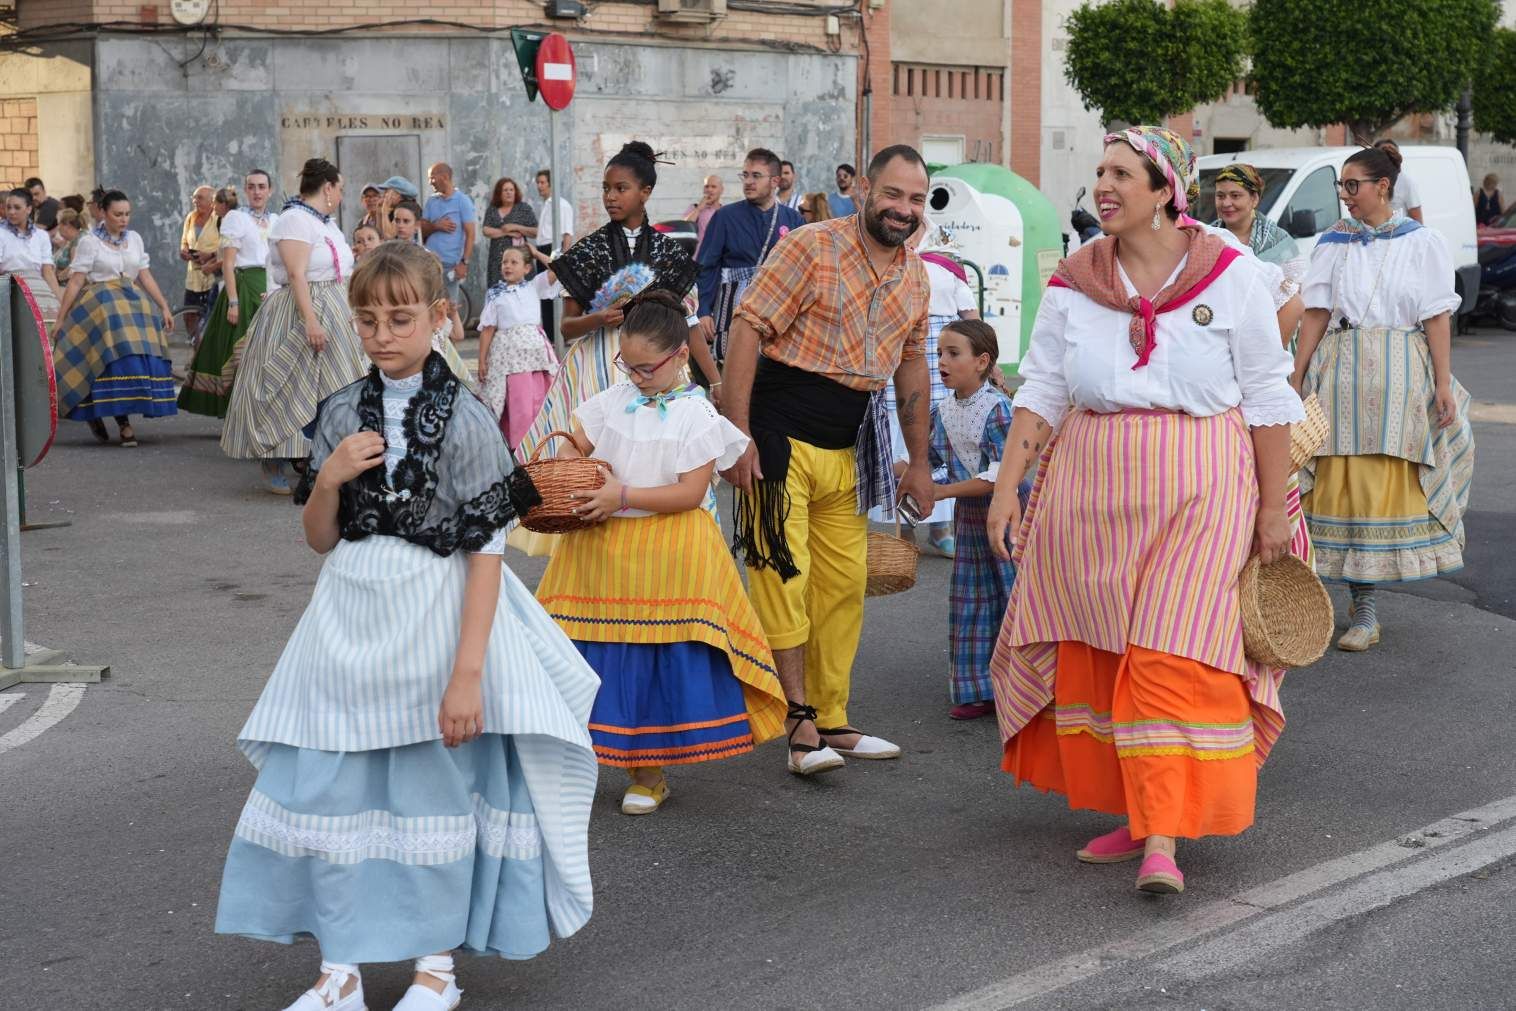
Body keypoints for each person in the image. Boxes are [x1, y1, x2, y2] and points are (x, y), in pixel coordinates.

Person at [215, 240, 598, 1011]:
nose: (383, 332)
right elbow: (321, 537)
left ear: (440, 317)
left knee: (433, 792)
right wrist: (327, 477)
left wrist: (468, 672)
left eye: (401, 316)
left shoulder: (465, 417)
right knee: (328, 789)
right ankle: (340, 971)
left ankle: (435, 968)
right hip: (346, 614)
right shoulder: (337, 411)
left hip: (431, 609)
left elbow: (486, 547)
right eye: (369, 317)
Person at [983, 126, 1303, 895]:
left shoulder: (1230, 277)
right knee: (1107, 653)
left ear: (1166, 191)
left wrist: (1271, 508)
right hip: (1093, 490)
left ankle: (1163, 836)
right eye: (1099, 171)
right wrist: (1005, 487)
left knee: (1172, 651)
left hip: (1204, 487)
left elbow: (1265, 397)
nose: (1104, 185)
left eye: (1122, 172)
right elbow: (1044, 390)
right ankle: (1140, 807)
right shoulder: (1074, 280)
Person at [720, 144, 937, 776]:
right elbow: (747, 327)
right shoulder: (811, 244)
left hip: (847, 444)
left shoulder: (916, 276)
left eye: (916, 200)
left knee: (842, 585)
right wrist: (737, 435)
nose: (903, 209)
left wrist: (918, 462)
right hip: (777, 431)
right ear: (865, 189)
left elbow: (913, 365)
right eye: (893, 194)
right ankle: (798, 722)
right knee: (781, 577)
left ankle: (834, 718)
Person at [534, 290, 787, 815]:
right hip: (601, 544)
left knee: (649, 661)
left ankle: (648, 774)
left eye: (647, 367)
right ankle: (576, 760)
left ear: (679, 357)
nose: (636, 375)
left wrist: (620, 495)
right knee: (589, 656)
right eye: (628, 364)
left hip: (669, 548)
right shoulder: (612, 399)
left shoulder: (696, 414)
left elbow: (691, 495)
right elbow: (571, 444)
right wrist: (574, 466)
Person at [1291, 144, 1474, 652]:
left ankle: (1366, 608)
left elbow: (1437, 315)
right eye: (1341, 187)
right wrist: (1297, 373)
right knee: (1337, 485)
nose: (1345, 196)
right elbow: (1316, 312)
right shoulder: (1332, 242)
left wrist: (1442, 383)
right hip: (1341, 374)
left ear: (1383, 188)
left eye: (1353, 186)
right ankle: (1358, 603)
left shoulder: (1422, 242)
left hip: (1396, 375)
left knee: (1375, 488)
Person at [510, 140, 704, 557]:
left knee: (661, 458)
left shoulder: (671, 253)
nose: (610, 197)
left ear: (645, 192)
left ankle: (655, 541)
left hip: (661, 365)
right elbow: (566, 326)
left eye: (620, 188)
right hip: (594, 367)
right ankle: (592, 545)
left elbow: (688, 325)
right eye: (605, 189)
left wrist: (717, 380)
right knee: (587, 459)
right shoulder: (586, 252)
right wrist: (600, 318)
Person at [222, 158, 367, 494]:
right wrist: (311, 321)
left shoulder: (325, 223)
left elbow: (341, 271)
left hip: (335, 304)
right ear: (328, 187)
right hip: (300, 309)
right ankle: (274, 457)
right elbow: (297, 273)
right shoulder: (295, 220)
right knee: (289, 384)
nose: (341, 194)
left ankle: (318, 458)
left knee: (337, 384)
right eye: (340, 188)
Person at [924, 320, 1018, 720]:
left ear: (982, 362)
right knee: (972, 600)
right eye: (940, 353)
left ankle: (1027, 687)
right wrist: (908, 471)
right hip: (970, 518)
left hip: (1009, 513)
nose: (942, 361)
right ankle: (979, 688)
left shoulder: (997, 408)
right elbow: (937, 465)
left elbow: (1002, 476)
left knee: (1014, 596)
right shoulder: (942, 411)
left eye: (953, 353)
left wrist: (942, 492)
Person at [869, 218, 979, 553]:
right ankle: (920, 528)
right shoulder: (909, 267)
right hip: (914, 360)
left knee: (926, 438)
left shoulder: (922, 270)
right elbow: (973, 321)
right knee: (928, 439)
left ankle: (917, 529)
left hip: (922, 360)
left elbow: (972, 324)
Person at [52, 188, 178, 447]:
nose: (124, 219)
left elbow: (144, 274)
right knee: (111, 358)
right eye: (118, 214)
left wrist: (163, 306)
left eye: (127, 214)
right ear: (103, 213)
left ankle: (116, 414)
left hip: (133, 306)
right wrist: (62, 318)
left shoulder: (134, 239)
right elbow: (76, 282)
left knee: (135, 360)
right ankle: (123, 423)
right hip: (102, 306)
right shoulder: (90, 241)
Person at [695, 147, 804, 378]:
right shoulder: (725, 217)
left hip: (778, 311)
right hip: (733, 307)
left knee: (773, 376)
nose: (748, 182)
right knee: (732, 372)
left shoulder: (792, 219)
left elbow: (802, 271)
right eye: (745, 175)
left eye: (756, 176)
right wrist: (704, 310)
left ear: (775, 181)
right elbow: (707, 265)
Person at [179, 184, 270, 419]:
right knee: (236, 347)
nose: (257, 192)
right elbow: (229, 261)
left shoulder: (276, 219)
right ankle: (237, 409)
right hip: (242, 285)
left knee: (266, 349)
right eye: (252, 187)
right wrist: (233, 301)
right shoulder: (236, 219)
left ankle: (258, 408)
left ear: (269, 191)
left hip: (267, 286)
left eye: (262, 187)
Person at [477, 245, 559, 451]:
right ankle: (520, 446)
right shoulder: (495, 294)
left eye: (514, 262)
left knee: (541, 398)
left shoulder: (534, 286)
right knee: (519, 402)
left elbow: (559, 269)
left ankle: (544, 440)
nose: (507, 266)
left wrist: (536, 253)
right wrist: (482, 361)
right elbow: (488, 329)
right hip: (510, 358)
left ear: (527, 268)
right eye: (505, 262)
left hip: (537, 355)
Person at [1210, 163, 1306, 292]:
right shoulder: (1206, 237)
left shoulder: (1278, 242)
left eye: (1235, 196)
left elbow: (1295, 293)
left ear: (1254, 199)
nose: (1226, 203)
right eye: (1220, 196)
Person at [1, 187, 63, 326]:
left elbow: (47, 272)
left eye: (17, 207)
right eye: (8, 207)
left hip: (38, 290)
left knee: (40, 335)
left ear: (28, 209)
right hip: (9, 289)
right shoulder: (1, 233)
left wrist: (61, 302)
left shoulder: (41, 235)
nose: (11, 212)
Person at [421, 162, 476, 307]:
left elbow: (471, 234)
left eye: (432, 178)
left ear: (445, 177)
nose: (430, 182)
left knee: (449, 309)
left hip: (449, 266)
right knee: (428, 307)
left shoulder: (462, 201)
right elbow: (422, 229)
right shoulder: (431, 201)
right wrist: (435, 226)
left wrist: (464, 263)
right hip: (429, 265)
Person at [178, 185, 220, 340]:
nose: (195, 201)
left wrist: (210, 255)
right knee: (189, 317)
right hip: (193, 277)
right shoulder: (191, 217)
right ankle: (195, 351)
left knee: (211, 319)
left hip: (212, 277)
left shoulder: (219, 219)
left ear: (212, 201)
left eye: (200, 198)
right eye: (194, 197)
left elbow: (227, 246)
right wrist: (184, 251)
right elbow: (184, 241)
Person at [482, 176, 538, 289]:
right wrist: (507, 233)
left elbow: (535, 231)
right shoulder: (492, 209)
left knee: (521, 290)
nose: (509, 193)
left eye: (511, 190)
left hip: (519, 259)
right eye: (505, 190)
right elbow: (486, 230)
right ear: (499, 193)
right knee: (497, 291)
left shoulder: (523, 208)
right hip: (496, 260)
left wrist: (515, 227)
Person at [1373, 140, 1423, 223]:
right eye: (1384, 155)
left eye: (1391, 155)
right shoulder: (1368, 180)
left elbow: (1418, 222)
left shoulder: (1406, 183)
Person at [532, 169, 574, 255]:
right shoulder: (546, 205)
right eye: (538, 183)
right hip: (541, 250)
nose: (539, 186)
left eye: (542, 183)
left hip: (553, 249)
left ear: (551, 184)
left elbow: (567, 234)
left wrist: (562, 259)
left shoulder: (561, 205)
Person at [683, 174, 723, 251]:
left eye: (713, 187)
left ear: (721, 190)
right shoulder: (694, 208)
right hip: (697, 258)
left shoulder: (725, 212)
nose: (709, 190)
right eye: (706, 186)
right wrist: (699, 208)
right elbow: (685, 227)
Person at [52, 208, 82, 283]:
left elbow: (74, 267)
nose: (58, 229)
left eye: (60, 226)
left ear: (67, 226)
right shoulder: (71, 240)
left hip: (65, 285)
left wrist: (56, 279)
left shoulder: (77, 240)